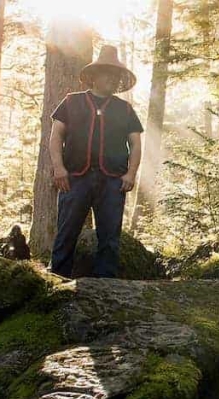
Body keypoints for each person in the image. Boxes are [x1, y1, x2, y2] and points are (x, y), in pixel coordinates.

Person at [48, 45, 143, 278]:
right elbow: (55, 136)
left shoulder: (125, 109)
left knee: (110, 237)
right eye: (107, 73)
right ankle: (57, 282)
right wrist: (59, 169)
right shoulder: (71, 102)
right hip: (74, 178)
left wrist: (131, 174)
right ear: (94, 76)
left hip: (113, 181)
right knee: (66, 233)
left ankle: (106, 288)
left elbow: (136, 144)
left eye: (116, 74)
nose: (112, 78)